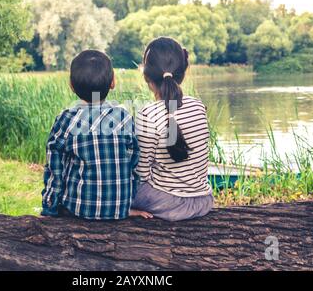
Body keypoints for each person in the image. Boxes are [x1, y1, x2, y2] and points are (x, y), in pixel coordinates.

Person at [41, 50, 140, 220]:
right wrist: (126, 203)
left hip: (78, 211)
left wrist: (49, 209)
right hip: (119, 210)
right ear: (113, 82)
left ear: (71, 85)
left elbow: (55, 170)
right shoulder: (125, 117)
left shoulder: (67, 119)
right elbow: (134, 165)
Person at [131, 37, 214, 221]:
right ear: (183, 72)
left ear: (146, 75)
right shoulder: (198, 106)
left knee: (121, 182)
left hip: (168, 203)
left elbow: (142, 174)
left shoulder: (147, 114)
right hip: (203, 201)